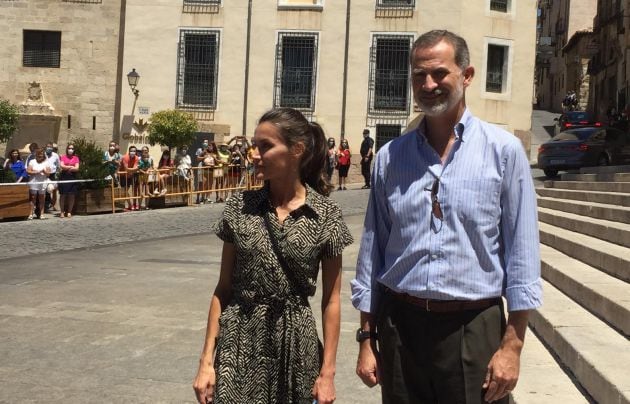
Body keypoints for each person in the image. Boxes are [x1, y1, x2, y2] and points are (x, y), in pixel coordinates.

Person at [351, 30, 542, 404]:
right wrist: (366, 337)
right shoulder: (391, 157)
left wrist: (512, 346)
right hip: (401, 326)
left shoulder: (503, 152)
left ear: (466, 75)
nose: (428, 84)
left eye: (439, 73)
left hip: (473, 325)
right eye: (419, 75)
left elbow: (522, 254)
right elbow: (372, 253)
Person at [193, 107, 353, 404]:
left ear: (296, 150)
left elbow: (332, 300)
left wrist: (327, 374)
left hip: (296, 345)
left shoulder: (325, 215)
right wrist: (206, 362)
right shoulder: (239, 207)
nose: (254, 154)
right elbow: (223, 288)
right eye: (254, 145)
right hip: (239, 342)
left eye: (265, 146)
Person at [26, 148, 51, 220]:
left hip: (42, 182)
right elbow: (28, 171)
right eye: (39, 155)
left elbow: (48, 174)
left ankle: (42, 214)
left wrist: (44, 171)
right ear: (36, 155)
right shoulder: (32, 161)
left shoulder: (46, 162)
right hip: (34, 182)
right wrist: (36, 172)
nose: (40, 156)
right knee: (33, 198)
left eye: (42, 155)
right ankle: (31, 214)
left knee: (42, 198)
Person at [58, 144, 80, 218]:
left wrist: (67, 167)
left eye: (72, 148)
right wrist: (71, 167)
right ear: (67, 149)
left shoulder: (76, 158)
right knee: (63, 195)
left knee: (71, 195)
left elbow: (77, 168)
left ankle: (69, 212)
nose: (71, 150)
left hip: (72, 177)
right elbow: (62, 166)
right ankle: (61, 212)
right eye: (69, 148)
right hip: (64, 177)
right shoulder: (63, 157)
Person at [120, 145, 140, 211]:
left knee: (131, 190)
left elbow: (135, 168)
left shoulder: (137, 158)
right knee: (125, 191)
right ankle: (130, 205)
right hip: (123, 175)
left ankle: (132, 205)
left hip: (131, 176)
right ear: (129, 151)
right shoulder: (125, 157)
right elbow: (126, 169)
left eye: (134, 151)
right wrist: (134, 169)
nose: (133, 152)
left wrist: (132, 170)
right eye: (131, 151)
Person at [44, 142, 61, 212]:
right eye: (48, 146)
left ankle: (54, 206)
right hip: (44, 174)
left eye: (50, 147)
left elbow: (58, 166)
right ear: (45, 147)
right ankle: (45, 206)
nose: (49, 148)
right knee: (45, 190)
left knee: (53, 190)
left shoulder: (55, 155)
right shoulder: (43, 154)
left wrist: (58, 174)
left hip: (53, 175)